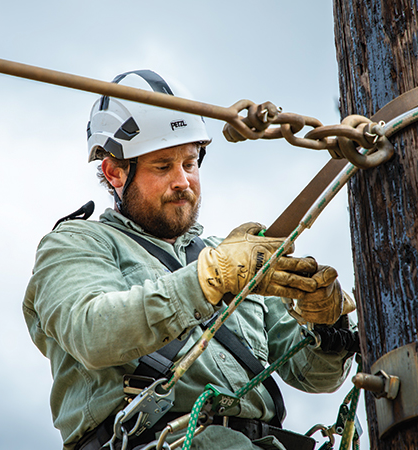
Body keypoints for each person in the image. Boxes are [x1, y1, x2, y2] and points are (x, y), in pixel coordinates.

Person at [23, 70, 357, 450]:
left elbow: (314, 377)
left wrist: (327, 327)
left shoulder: (232, 255)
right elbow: (92, 332)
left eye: (190, 163)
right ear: (114, 172)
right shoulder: (76, 245)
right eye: (163, 166)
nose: (183, 180)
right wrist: (209, 278)